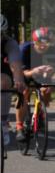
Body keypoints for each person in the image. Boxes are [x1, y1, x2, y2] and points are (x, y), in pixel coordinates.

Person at [15, 27, 55, 143]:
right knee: (24, 93)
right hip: (24, 72)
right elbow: (21, 71)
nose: (43, 46)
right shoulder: (24, 49)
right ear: (34, 41)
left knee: (46, 90)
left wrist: (50, 71)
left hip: (41, 73)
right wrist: (33, 71)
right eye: (39, 43)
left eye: (46, 43)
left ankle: (41, 113)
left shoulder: (52, 50)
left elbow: (53, 68)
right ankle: (19, 127)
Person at [1, 15, 28, 147]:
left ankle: (3, 122)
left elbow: (16, 64)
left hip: (2, 69)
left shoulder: (9, 43)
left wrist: (19, 80)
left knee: (4, 81)